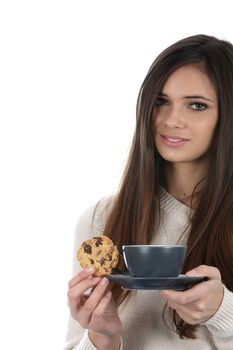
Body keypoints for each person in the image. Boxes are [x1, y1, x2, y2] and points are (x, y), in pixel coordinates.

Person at [64, 34, 233, 350]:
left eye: (197, 105)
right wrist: (102, 337)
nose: (171, 120)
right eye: (161, 101)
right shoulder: (101, 220)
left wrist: (223, 313)